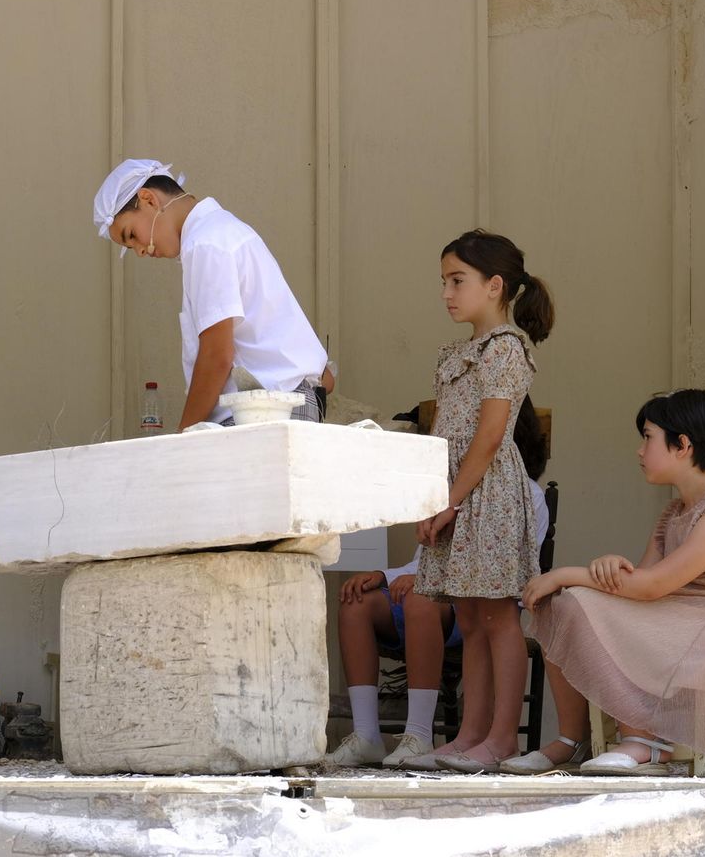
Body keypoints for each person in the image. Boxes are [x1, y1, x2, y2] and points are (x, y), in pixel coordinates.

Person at [520, 389, 705, 775]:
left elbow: (652, 588)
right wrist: (612, 569)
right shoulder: (673, 514)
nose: (640, 450)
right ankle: (571, 738)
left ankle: (646, 740)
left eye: (648, 437)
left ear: (682, 445)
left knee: (576, 597)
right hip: (683, 617)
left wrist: (564, 573)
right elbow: (642, 584)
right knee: (564, 604)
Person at [399, 229, 555, 773]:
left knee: (496, 615)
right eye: (444, 281)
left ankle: (502, 738)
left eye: (457, 280)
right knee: (467, 615)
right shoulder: (456, 353)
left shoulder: (506, 348)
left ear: (495, 286)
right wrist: (431, 496)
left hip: (484, 493)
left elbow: (490, 435)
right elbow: (444, 431)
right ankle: (471, 734)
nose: (447, 292)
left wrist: (453, 500)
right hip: (453, 491)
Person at [325, 398, 551, 768]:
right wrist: (385, 576)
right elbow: (423, 561)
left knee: (420, 599)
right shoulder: (449, 492)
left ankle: (417, 734)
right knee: (356, 600)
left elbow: (511, 572)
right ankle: (367, 734)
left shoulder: (525, 493)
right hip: (431, 592)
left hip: (474, 607)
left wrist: (421, 580)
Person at [92, 159, 332, 428]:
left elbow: (217, 356)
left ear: (148, 200)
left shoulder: (206, 243)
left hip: (262, 414)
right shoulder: (225, 230)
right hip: (287, 408)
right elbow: (323, 375)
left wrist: (184, 437)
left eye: (132, 235)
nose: (140, 250)